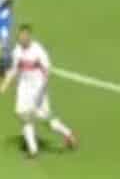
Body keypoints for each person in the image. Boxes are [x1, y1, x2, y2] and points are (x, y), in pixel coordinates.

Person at [6, 25, 78, 158]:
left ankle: (68, 134)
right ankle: (33, 150)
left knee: (46, 119)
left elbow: (47, 70)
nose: (22, 38)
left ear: (29, 37)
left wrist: (41, 89)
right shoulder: (17, 51)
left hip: (38, 90)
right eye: (20, 36)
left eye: (24, 36)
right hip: (24, 88)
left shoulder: (38, 51)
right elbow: (15, 68)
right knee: (24, 116)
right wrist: (5, 83)